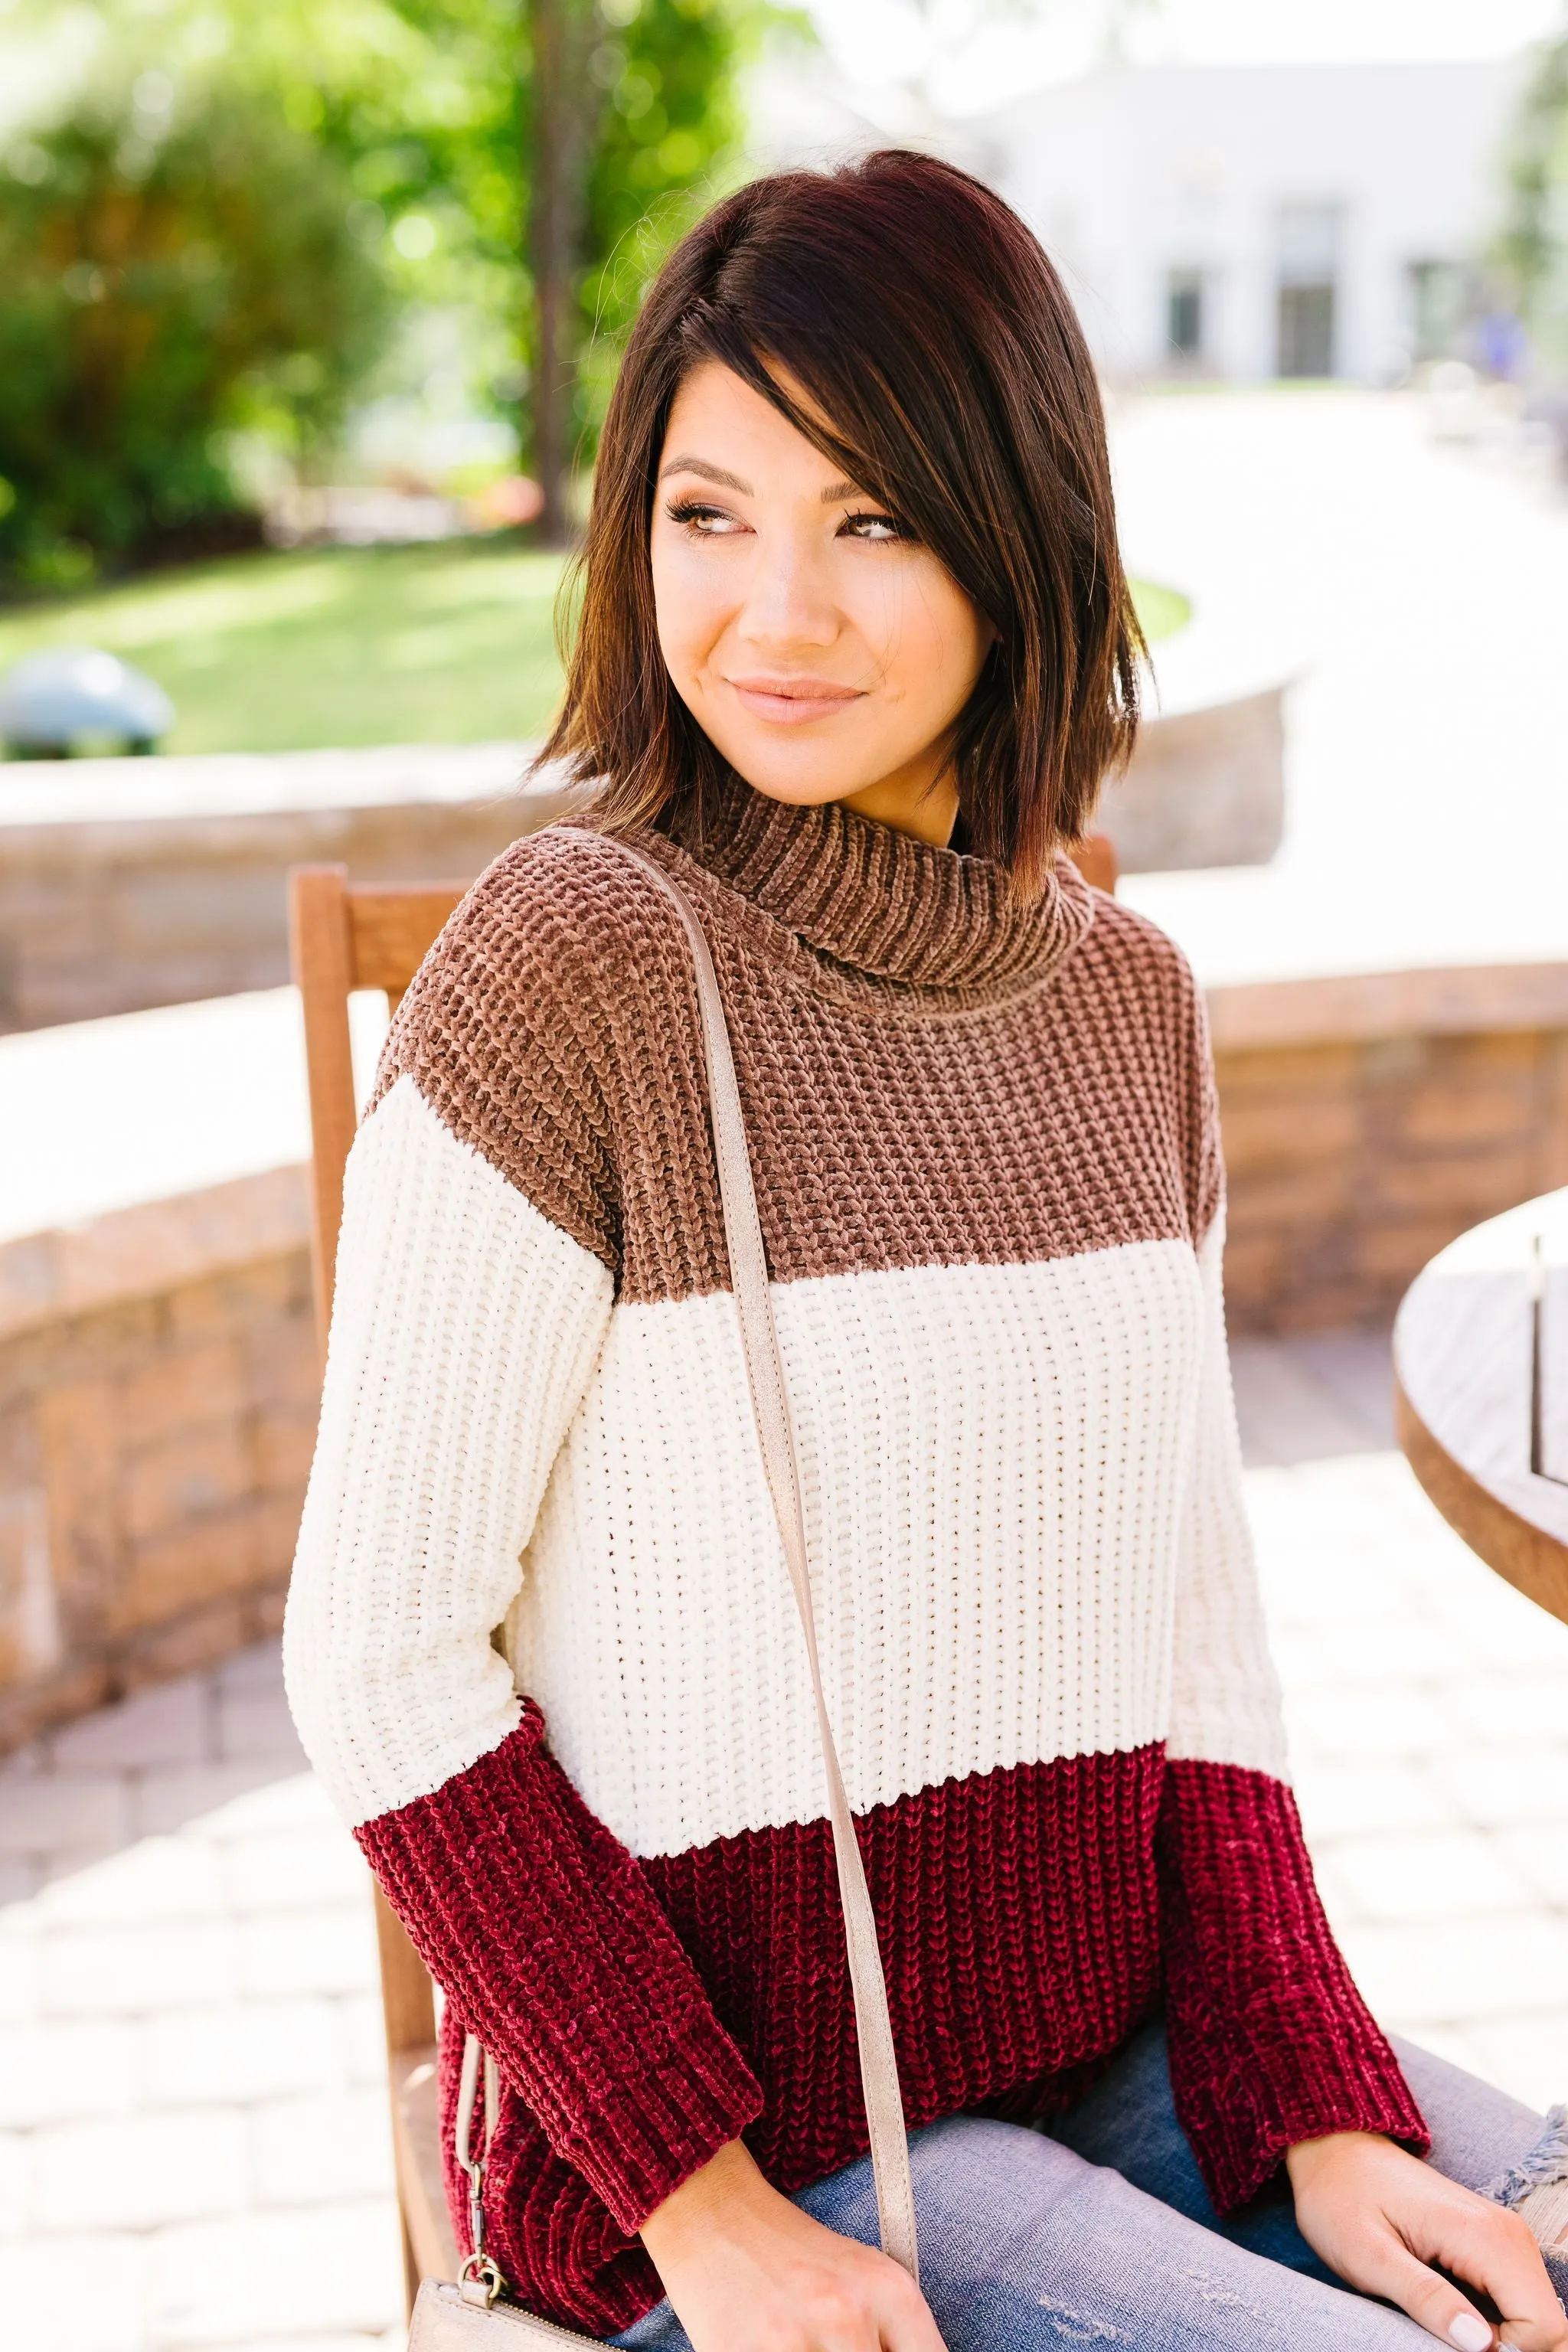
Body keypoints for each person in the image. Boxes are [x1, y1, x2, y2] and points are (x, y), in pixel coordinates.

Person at [283, 151, 1568, 2352]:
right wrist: (701, 2209)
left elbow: (1196, 1634)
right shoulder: (574, 973)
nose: (774, 614)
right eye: (710, 515)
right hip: (732, 2150)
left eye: (871, 519)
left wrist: (1319, 2097)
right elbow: (379, 1652)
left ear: (1019, 530)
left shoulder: (1126, 1004)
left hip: (1107, 2044)